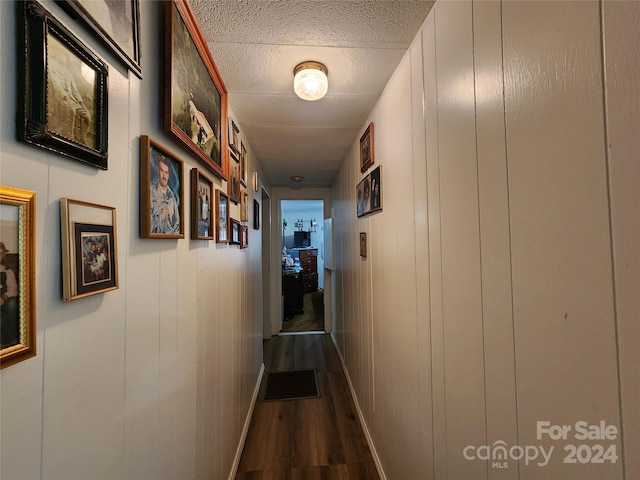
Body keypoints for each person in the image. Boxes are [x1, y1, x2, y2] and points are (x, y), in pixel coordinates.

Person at [150, 155, 180, 234]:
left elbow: (177, 224)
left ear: (169, 175)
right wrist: (161, 216)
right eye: (162, 171)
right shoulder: (151, 192)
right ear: (157, 171)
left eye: (166, 172)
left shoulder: (172, 197)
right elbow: (147, 225)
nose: (164, 176)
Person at [0, 242, 19, 348]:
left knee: (13, 305)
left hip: (5, 298)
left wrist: (4, 297)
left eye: (1, 253)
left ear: (4, 255)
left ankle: (11, 340)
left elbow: (13, 289)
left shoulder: (7, 271)